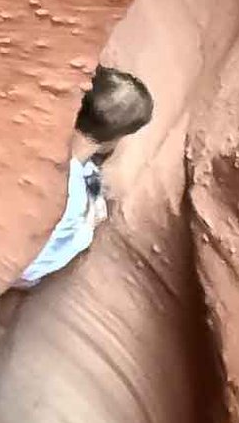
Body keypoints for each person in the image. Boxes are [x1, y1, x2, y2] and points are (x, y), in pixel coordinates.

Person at [12, 66, 155, 289]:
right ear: (113, 140)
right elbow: (31, 267)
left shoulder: (27, 133)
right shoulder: (74, 201)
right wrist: (88, 224)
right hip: (19, 271)